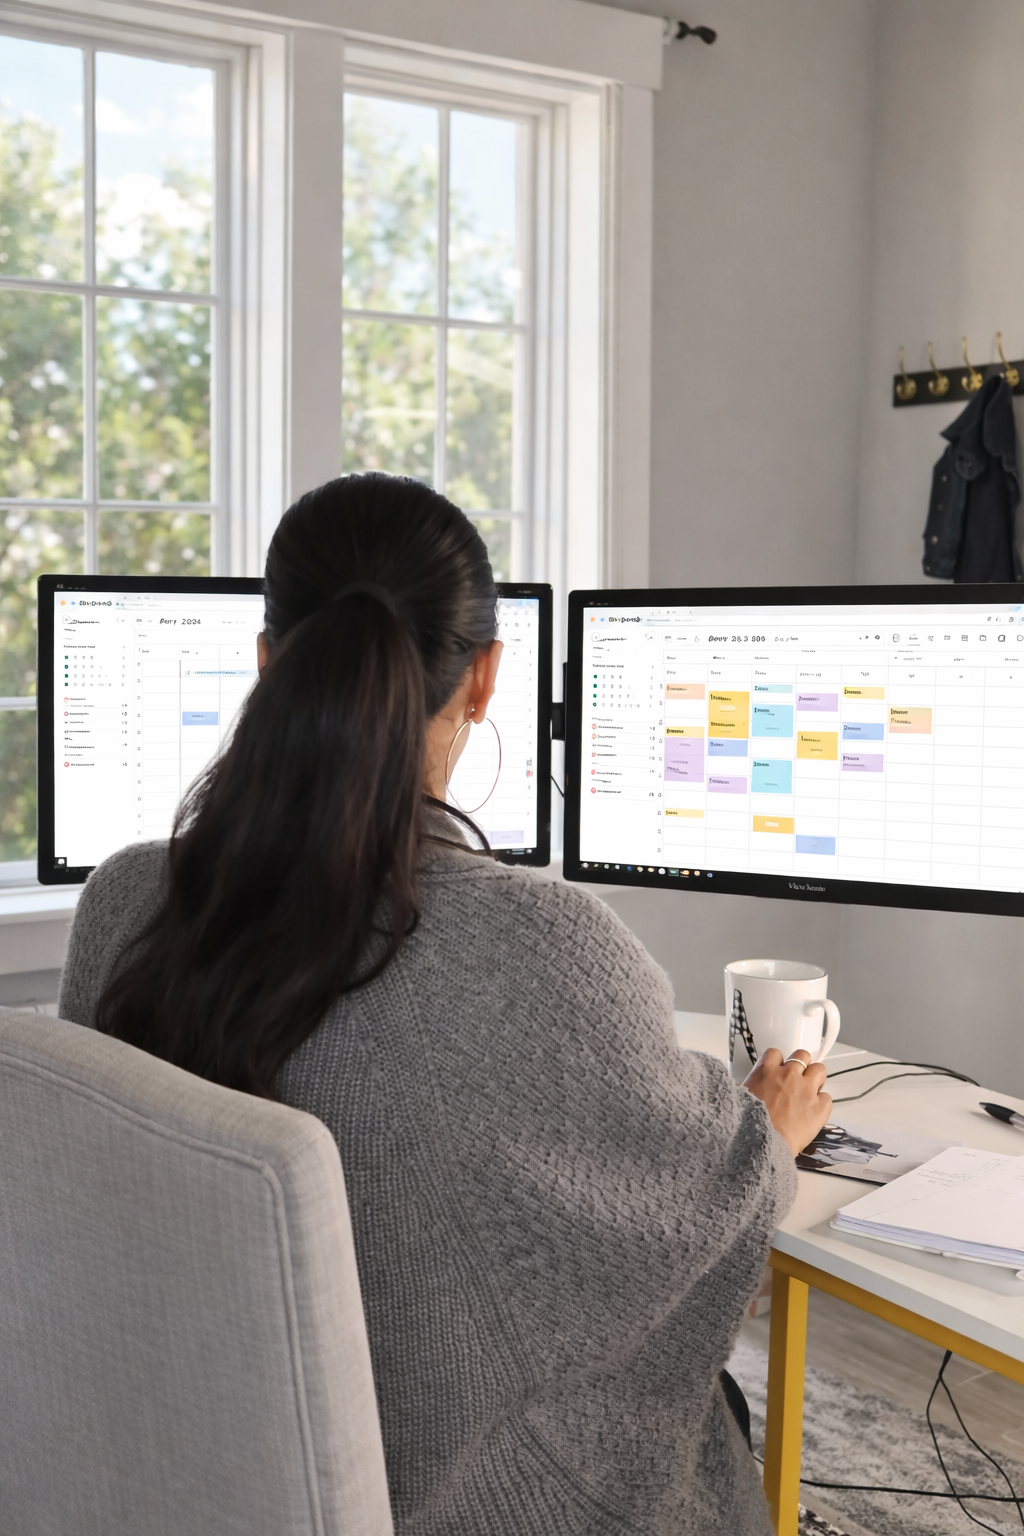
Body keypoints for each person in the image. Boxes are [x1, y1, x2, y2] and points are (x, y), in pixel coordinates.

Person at [58, 473, 831, 1536]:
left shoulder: (122, 903)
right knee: (708, 1407)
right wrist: (768, 1140)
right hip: (448, 1504)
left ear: (266, 661)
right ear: (484, 678)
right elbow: (676, 1225)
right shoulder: (544, 948)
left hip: (185, 1459)